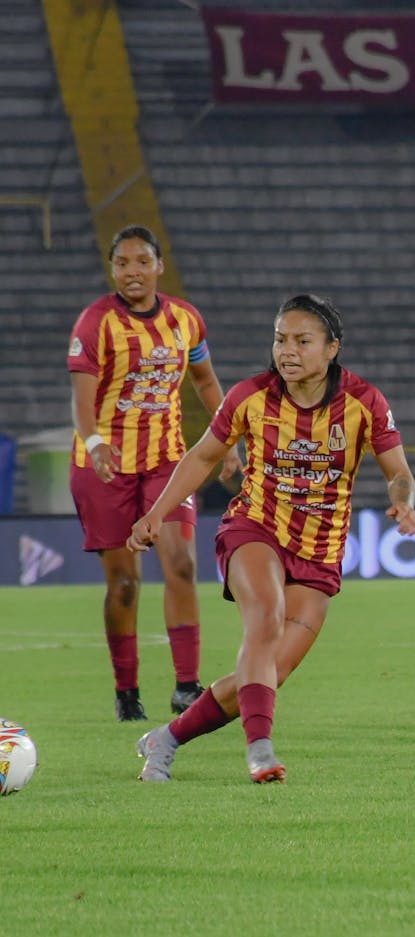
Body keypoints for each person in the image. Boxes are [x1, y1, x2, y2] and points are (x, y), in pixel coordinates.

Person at [126, 293, 415, 784]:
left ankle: (167, 739)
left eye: (303, 341)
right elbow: (201, 457)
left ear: (331, 349)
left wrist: (404, 500)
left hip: (321, 551)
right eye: (281, 339)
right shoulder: (250, 396)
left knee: (263, 676)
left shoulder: (365, 402)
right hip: (256, 527)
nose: (288, 350)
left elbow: (399, 472)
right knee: (263, 619)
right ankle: (260, 750)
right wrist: (157, 513)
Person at [67, 225, 241, 722]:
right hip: (104, 468)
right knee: (124, 586)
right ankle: (127, 691)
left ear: (159, 266)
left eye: (142, 261)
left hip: (166, 462)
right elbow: (82, 404)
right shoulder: (95, 324)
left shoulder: (186, 321)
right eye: (122, 263)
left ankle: (187, 686)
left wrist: (227, 437)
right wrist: (97, 443)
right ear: (112, 270)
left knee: (181, 563)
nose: (132, 272)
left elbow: (206, 381)